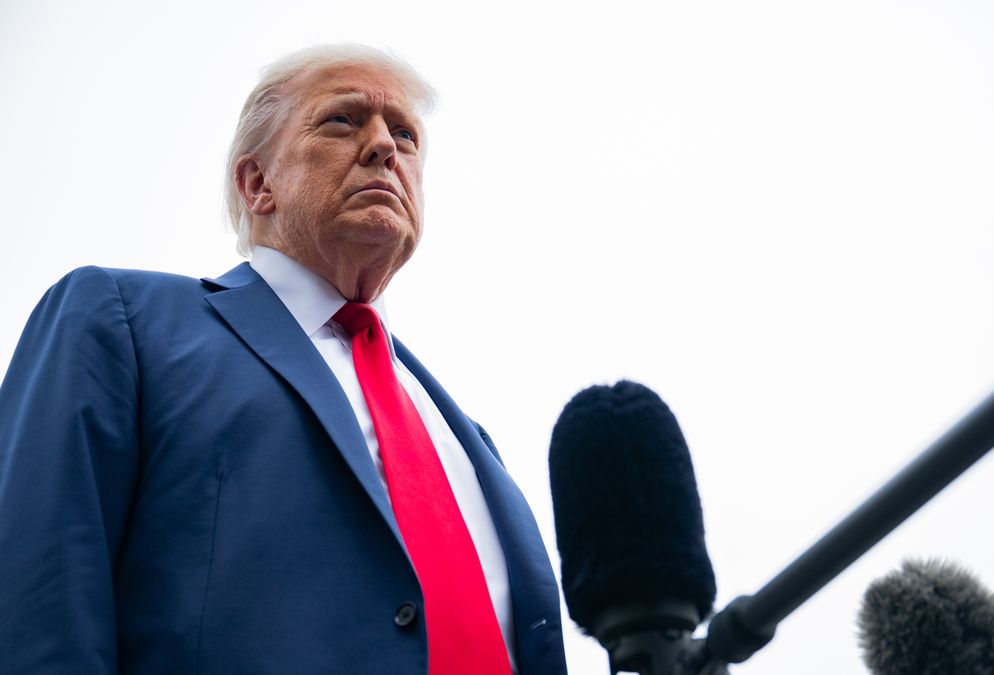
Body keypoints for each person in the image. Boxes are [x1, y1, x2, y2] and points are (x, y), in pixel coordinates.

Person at [0, 44, 568, 674]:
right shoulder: (125, 321)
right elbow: (38, 592)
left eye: (404, 134)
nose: (385, 147)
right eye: (342, 121)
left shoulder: (469, 439)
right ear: (257, 183)